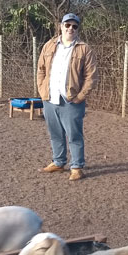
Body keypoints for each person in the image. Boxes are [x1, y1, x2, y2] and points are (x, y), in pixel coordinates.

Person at [36, 13, 99, 181]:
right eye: (68, 25)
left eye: (74, 26)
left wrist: (80, 97)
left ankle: (77, 166)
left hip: (71, 99)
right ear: (61, 26)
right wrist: (42, 91)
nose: (70, 28)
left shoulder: (84, 49)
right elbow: (41, 69)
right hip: (50, 98)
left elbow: (91, 76)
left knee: (74, 135)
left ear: (78, 28)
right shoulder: (49, 46)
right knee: (55, 133)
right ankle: (58, 161)